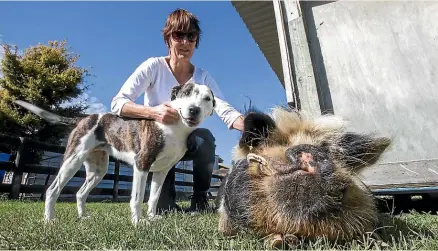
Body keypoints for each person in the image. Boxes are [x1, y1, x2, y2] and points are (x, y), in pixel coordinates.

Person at [110, 8, 244, 213]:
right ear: (168, 38)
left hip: (186, 143)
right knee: (164, 209)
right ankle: (165, 200)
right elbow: (118, 103)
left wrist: (249, 125)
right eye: (178, 35)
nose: (185, 42)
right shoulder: (153, 66)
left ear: (196, 41)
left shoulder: (203, 76)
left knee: (205, 138)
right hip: (156, 145)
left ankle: (199, 200)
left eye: (191, 36)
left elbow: (223, 107)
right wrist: (153, 112)